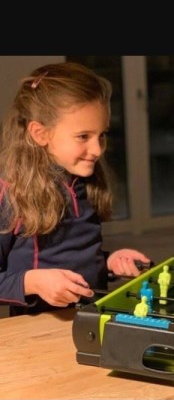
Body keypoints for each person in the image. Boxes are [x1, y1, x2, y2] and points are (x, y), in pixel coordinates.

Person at [0, 62, 151, 316]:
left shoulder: (84, 180)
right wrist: (32, 282)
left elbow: (73, 258)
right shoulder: (10, 193)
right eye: (83, 137)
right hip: (39, 329)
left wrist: (108, 262)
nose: (97, 149)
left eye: (101, 135)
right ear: (40, 134)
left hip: (91, 319)